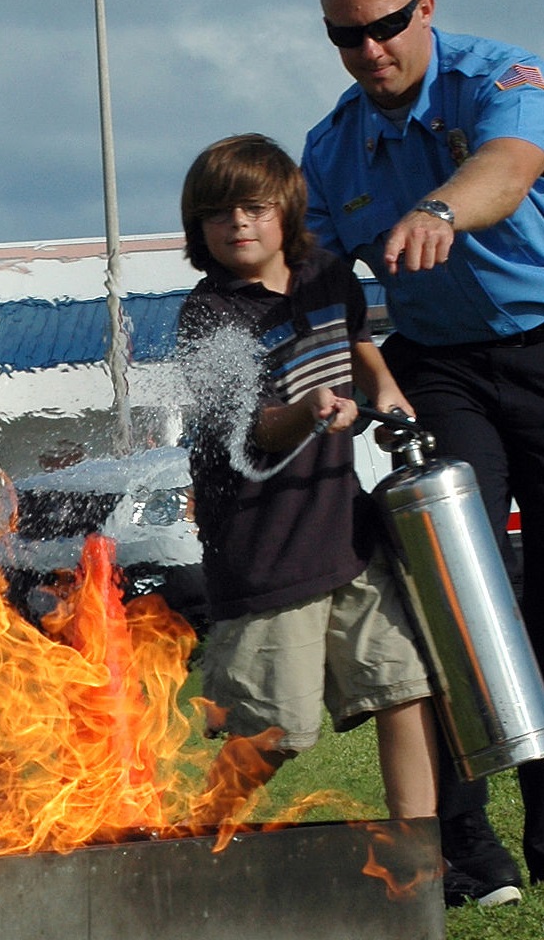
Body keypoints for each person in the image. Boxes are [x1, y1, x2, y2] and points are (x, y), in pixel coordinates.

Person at [302, 0, 544, 901]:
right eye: (347, 35)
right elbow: (325, 294)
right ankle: (463, 845)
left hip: (539, 338)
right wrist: (368, 373)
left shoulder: (499, 79)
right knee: (451, 597)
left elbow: (514, 163)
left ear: (425, 9)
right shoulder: (328, 150)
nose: (372, 50)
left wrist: (439, 211)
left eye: (388, 25)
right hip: (436, 369)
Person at [173, 134, 478, 898]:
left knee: (401, 686)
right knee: (274, 731)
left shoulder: (325, 277)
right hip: (265, 555)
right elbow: (244, 433)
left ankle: (419, 864)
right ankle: (183, 840)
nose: (237, 224)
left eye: (252, 207)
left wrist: (386, 390)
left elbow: (357, 340)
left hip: (345, 536)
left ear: (286, 212)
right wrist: (305, 413)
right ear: (198, 229)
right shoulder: (211, 318)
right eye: (217, 214)